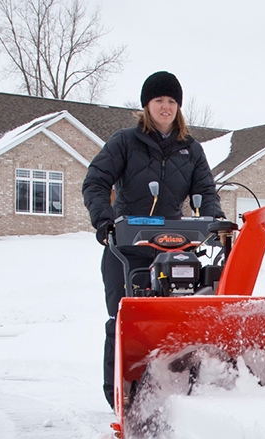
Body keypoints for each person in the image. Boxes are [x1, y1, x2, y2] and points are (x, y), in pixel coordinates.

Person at [82, 71, 223, 409]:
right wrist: (104, 221)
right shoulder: (124, 142)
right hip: (126, 249)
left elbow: (205, 190)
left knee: (182, 319)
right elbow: (96, 181)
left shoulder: (190, 149)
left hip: (175, 248)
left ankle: (186, 384)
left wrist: (214, 221)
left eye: (172, 101)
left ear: (179, 107)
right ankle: (123, 398)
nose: (166, 107)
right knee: (123, 318)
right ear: (146, 105)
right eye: (159, 100)